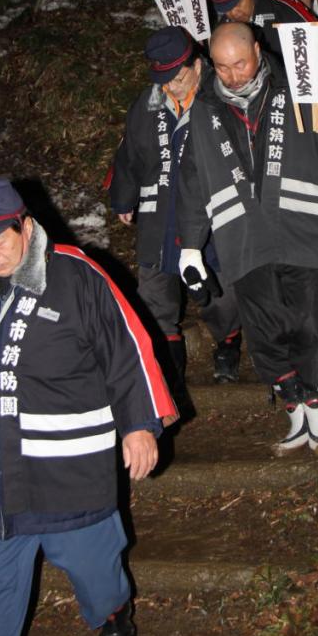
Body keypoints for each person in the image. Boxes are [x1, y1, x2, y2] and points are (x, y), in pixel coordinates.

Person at [0, 178, 176, 636]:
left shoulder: (77, 276)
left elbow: (127, 352)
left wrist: (140, 424)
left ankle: (115, 620)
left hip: (70, 470)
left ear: (26, 226)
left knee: (94, 568)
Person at [176, 23, 318, 458]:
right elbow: (192, 178)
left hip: (303, 225)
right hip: (242, 236)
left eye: (240, 63)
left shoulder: (299, 86)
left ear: (258, 51)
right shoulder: (204, 107)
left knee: (313, 322)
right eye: (222, 67)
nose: (233, 76)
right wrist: (190, 245)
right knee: (264, 332)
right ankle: (294, 405)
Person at [108, 27, 242, 387]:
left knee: (217, 294)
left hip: (208, 220)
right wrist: (124, 197)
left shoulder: (222, 100)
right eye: (164, 80)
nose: (172, 88)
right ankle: (168, 379)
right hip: (158, 214)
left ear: (198, 65)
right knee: (154, 295)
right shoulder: (147, 104)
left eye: (178, 79)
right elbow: (129, 154)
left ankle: (227, 342)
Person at [207, 0, 317, 57]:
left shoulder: (285, 11)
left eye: (238, 3)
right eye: (227, 9)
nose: (234, 13)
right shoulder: (224, 30)